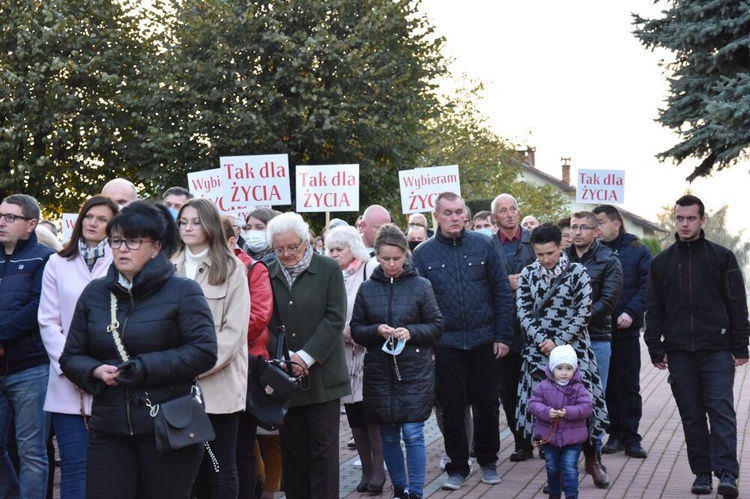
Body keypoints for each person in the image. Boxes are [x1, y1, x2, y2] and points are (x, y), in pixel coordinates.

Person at [59, 201, 218, 499]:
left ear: (156, 247)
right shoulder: (95, 293)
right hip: (109, 428)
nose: (122, 249)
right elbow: (71, 356)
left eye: (133, 241)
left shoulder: (183, 290)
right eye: (117, 240)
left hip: (168, 425)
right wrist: (93, 370)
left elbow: (203, 351)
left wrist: (144, 368)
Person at [645, 195, 749, 499]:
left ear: (703, 220)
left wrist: (740, 345)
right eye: (680, 218)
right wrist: (655, 346)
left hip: (716, 347)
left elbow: (737, 303)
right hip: (679, 351)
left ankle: (727, 473)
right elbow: (654, 308)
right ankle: (702, 473)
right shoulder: (661, 262)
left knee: (721, 410)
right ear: (674, 220)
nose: (685, 223)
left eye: (691, 218)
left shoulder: (722, 257)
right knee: (691, 414)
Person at [412, 192, 513, 490]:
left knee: (487, 404)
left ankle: (488, 460)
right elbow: (418, 304)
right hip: (446, 344)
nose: (454, 218)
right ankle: (457, 466)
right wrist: (428, 345)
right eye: (448, 213)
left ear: (465, 215)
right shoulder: (423, 254)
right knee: (452, 407)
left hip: (485, 340)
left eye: (459, 212)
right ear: (437, 217)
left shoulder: (485, 244)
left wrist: (503, 335)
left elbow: (502, 292)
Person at [351, 224, 444, 499]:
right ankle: (400, 489)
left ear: (405, 255)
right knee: (389, 435)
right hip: (380, 371)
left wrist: (411, 332)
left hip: (414, 371)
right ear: (376, 258)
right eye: (385, 259)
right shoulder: (367, 289)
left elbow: (437, 325)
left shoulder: (421, 285)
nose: (391, 264)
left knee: (413, 433)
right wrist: (376, 330)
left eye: (396, 258)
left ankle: (415, 490)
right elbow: (357, 328)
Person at [515, 224, 608, 489]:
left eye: (550, 253)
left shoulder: (578, 272)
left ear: (561, 246)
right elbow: (522, 311)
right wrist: (541, 340)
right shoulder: (528, 274)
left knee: (584, 407)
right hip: (538, 352)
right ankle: (554, 474)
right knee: (545, 413)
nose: (545, 259)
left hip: (575, 351)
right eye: (539, 254)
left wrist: (558, 342)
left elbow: (583, 312)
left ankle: (592, 459)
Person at [38, 195, 118, 499]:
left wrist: (103, 368)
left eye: (103, 219)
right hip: (67, 381)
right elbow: (48, 321)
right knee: (75, 466)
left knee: (111, 467)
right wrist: (74, 367)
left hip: (112, 378)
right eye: (89, 216)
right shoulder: (57, 262)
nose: (94, 223)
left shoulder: (120, 261)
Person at [265, 212, 350, 499]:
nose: (286, 254)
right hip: (285, 377)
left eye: (292, 247)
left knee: (323, 453)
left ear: (306, 242)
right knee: (293, 453)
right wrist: (286, 358)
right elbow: (262, 319)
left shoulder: (328, 268)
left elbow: (335, 318)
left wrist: (306, 356)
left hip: (324, 377)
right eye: (279, 249)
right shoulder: (266, 270)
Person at [172, 198, 250, 499]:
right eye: (183, 222)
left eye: (195, 221)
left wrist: (195, 365)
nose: (188, 228)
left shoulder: (231, 268)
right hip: (177, 383)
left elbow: (234, 332)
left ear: (210, 225)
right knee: (186, 467)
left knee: (221, 464)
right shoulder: (169, 267)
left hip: (218, 381)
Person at [0, 194, 56, 499]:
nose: (1, 222)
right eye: (0, 215)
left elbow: (37, 308)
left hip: (30, 369)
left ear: (31, 224)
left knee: (31, 452)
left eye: (11, 217)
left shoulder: (45, 258)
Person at [325, 225, 386, 495]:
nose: (335, 253)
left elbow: (379, 307)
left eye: (340, 248)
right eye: (331, 249)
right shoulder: (331, 275)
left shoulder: (369, 268)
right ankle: (364, 468)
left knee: (371, 414)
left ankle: (379, 470)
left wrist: (360, 330)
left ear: (353, 248)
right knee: (354, 416)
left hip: (368, 354)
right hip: (344, 357)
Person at [218, 216, 274, 499]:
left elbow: (259, 316)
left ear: (230, 240)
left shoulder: (252, 268)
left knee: (241, 446)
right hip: (205, 370)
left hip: (243, 366)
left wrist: (219, 340)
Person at [565, 211, 622, 488]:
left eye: (584, 227)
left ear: (596, 231)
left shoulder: (608, 261)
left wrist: (576, 322)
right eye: (574, 227)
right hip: (563, 343)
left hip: (596, 339)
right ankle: (563, 467)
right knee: (561, 402)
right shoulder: (560, 257)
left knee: (591, 403)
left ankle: (594, 459)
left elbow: (608, 300)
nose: (577, 232)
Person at [593, 204, 651, 459]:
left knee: (628, 384)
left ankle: (631, 436)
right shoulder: (594, 252)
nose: (596, 228)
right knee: (607, 385)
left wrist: (632, 312)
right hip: (598, 330)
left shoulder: (638, 250)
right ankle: (613, 434)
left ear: (616, 224)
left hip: (626, 328)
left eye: (601, 223)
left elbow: (648, 286)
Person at [490, 193, 537, 462]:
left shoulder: (534, 239)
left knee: (539, 387)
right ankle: (522, 442)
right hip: (504, 328)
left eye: (514, 208)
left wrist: (526, 282)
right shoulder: (487, 245)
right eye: (504, 211)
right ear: (495, 217)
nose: (510, 214)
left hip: (533, 327)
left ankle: (544, 437)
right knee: (508, 391)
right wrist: (503, 283)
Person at [529, 344, 593, 499]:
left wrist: (567, 412)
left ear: (575, 369)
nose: (564, 373)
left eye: (568, 368)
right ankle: (554, 494)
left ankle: (572, 495)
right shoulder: (543, 387)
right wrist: (546, 412)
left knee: (570, 468)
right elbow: (533, 404)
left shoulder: (578, 388)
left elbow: (587, 407)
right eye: (559, 368)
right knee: (552, 468)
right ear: (552, 369)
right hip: (550, 438)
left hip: (573, 439)